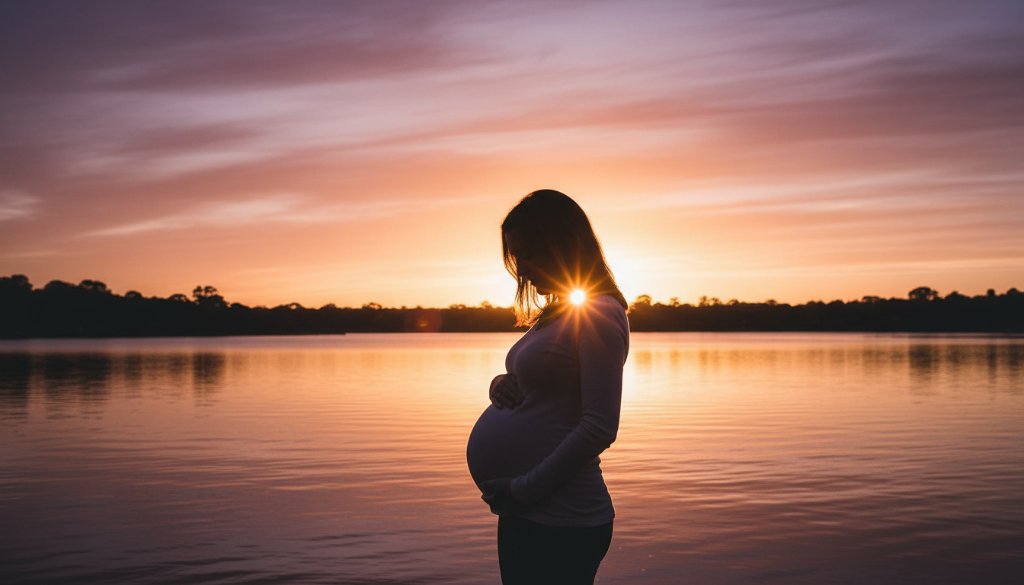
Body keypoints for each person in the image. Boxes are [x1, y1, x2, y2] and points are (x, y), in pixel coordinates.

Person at [466, 189, 630, 585]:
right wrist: (502, 384)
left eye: (530, 253)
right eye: (517, 256)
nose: (522, 268)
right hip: (528, 512)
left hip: (561, 518)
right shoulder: (558, 313)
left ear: (564, 246)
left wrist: (523, 490)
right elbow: (548, 385)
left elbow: (599, 425)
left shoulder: (599, 312)